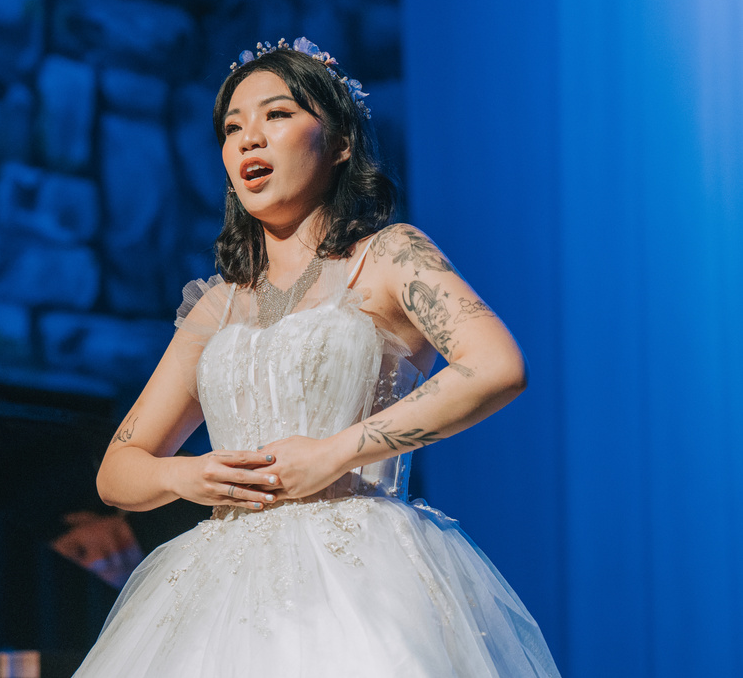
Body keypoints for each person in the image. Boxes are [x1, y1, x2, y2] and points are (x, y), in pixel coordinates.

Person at [72, 38, 560, 676]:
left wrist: (336, 451)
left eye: (277, 115)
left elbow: (495, 366)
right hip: (220, 592)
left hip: (365, 573)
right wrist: (186, 477)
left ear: (339, 142)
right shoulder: (217, 306)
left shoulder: (386, 257)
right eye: (232, 127)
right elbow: (117, 471)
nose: (250, 138)